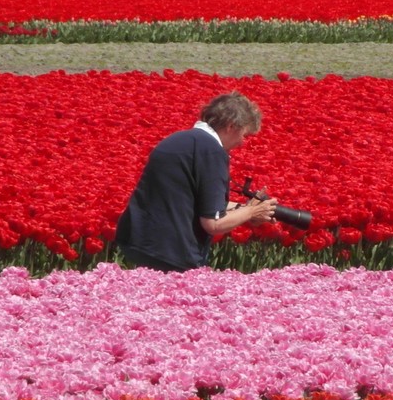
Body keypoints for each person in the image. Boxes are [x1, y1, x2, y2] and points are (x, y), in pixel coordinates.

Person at [115, 92, 278, 271]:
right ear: (231, 126)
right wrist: (252, 211)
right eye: (244, 135)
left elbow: (191, 200)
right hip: (171, 253)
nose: (242, 142)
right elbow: (214, 224)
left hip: (139, 242)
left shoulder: (180, 139)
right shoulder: (211, 151)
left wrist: (245, 209)